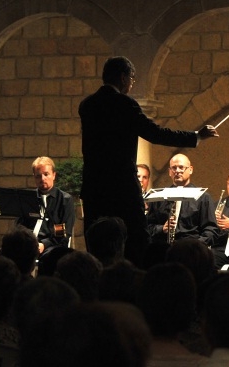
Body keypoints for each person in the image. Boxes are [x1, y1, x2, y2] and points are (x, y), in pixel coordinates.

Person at [79, 56, 219, 265]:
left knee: (98, 242)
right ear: (124, 77)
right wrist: (196, 136)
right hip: (121, 187)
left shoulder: (87, 105)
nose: (132, 84)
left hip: (94, 187)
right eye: (132, 79)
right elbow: (155, 133)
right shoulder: (124, 104)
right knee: (136, 241)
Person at [146, 153, 216, 246]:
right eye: (174, 168)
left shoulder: (202, 197)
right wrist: (162, 228)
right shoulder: (159, 197)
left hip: (191, 250)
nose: (177, 171)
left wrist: (196, 245)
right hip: (164, 249)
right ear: (169, 171)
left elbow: (211, 229)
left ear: (190, 169)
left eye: (181, 167)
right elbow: (147, 227)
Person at [14, 156, 76, 256]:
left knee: (48, 257)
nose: (42, 179)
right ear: (34, 177)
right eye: (38, 176)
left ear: (54, 175)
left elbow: (63, 233)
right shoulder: (28, 198)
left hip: (53, 244)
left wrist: (44, 244)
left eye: (46, 174)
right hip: (29, 243)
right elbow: (19, 226)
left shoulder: (65, 199)